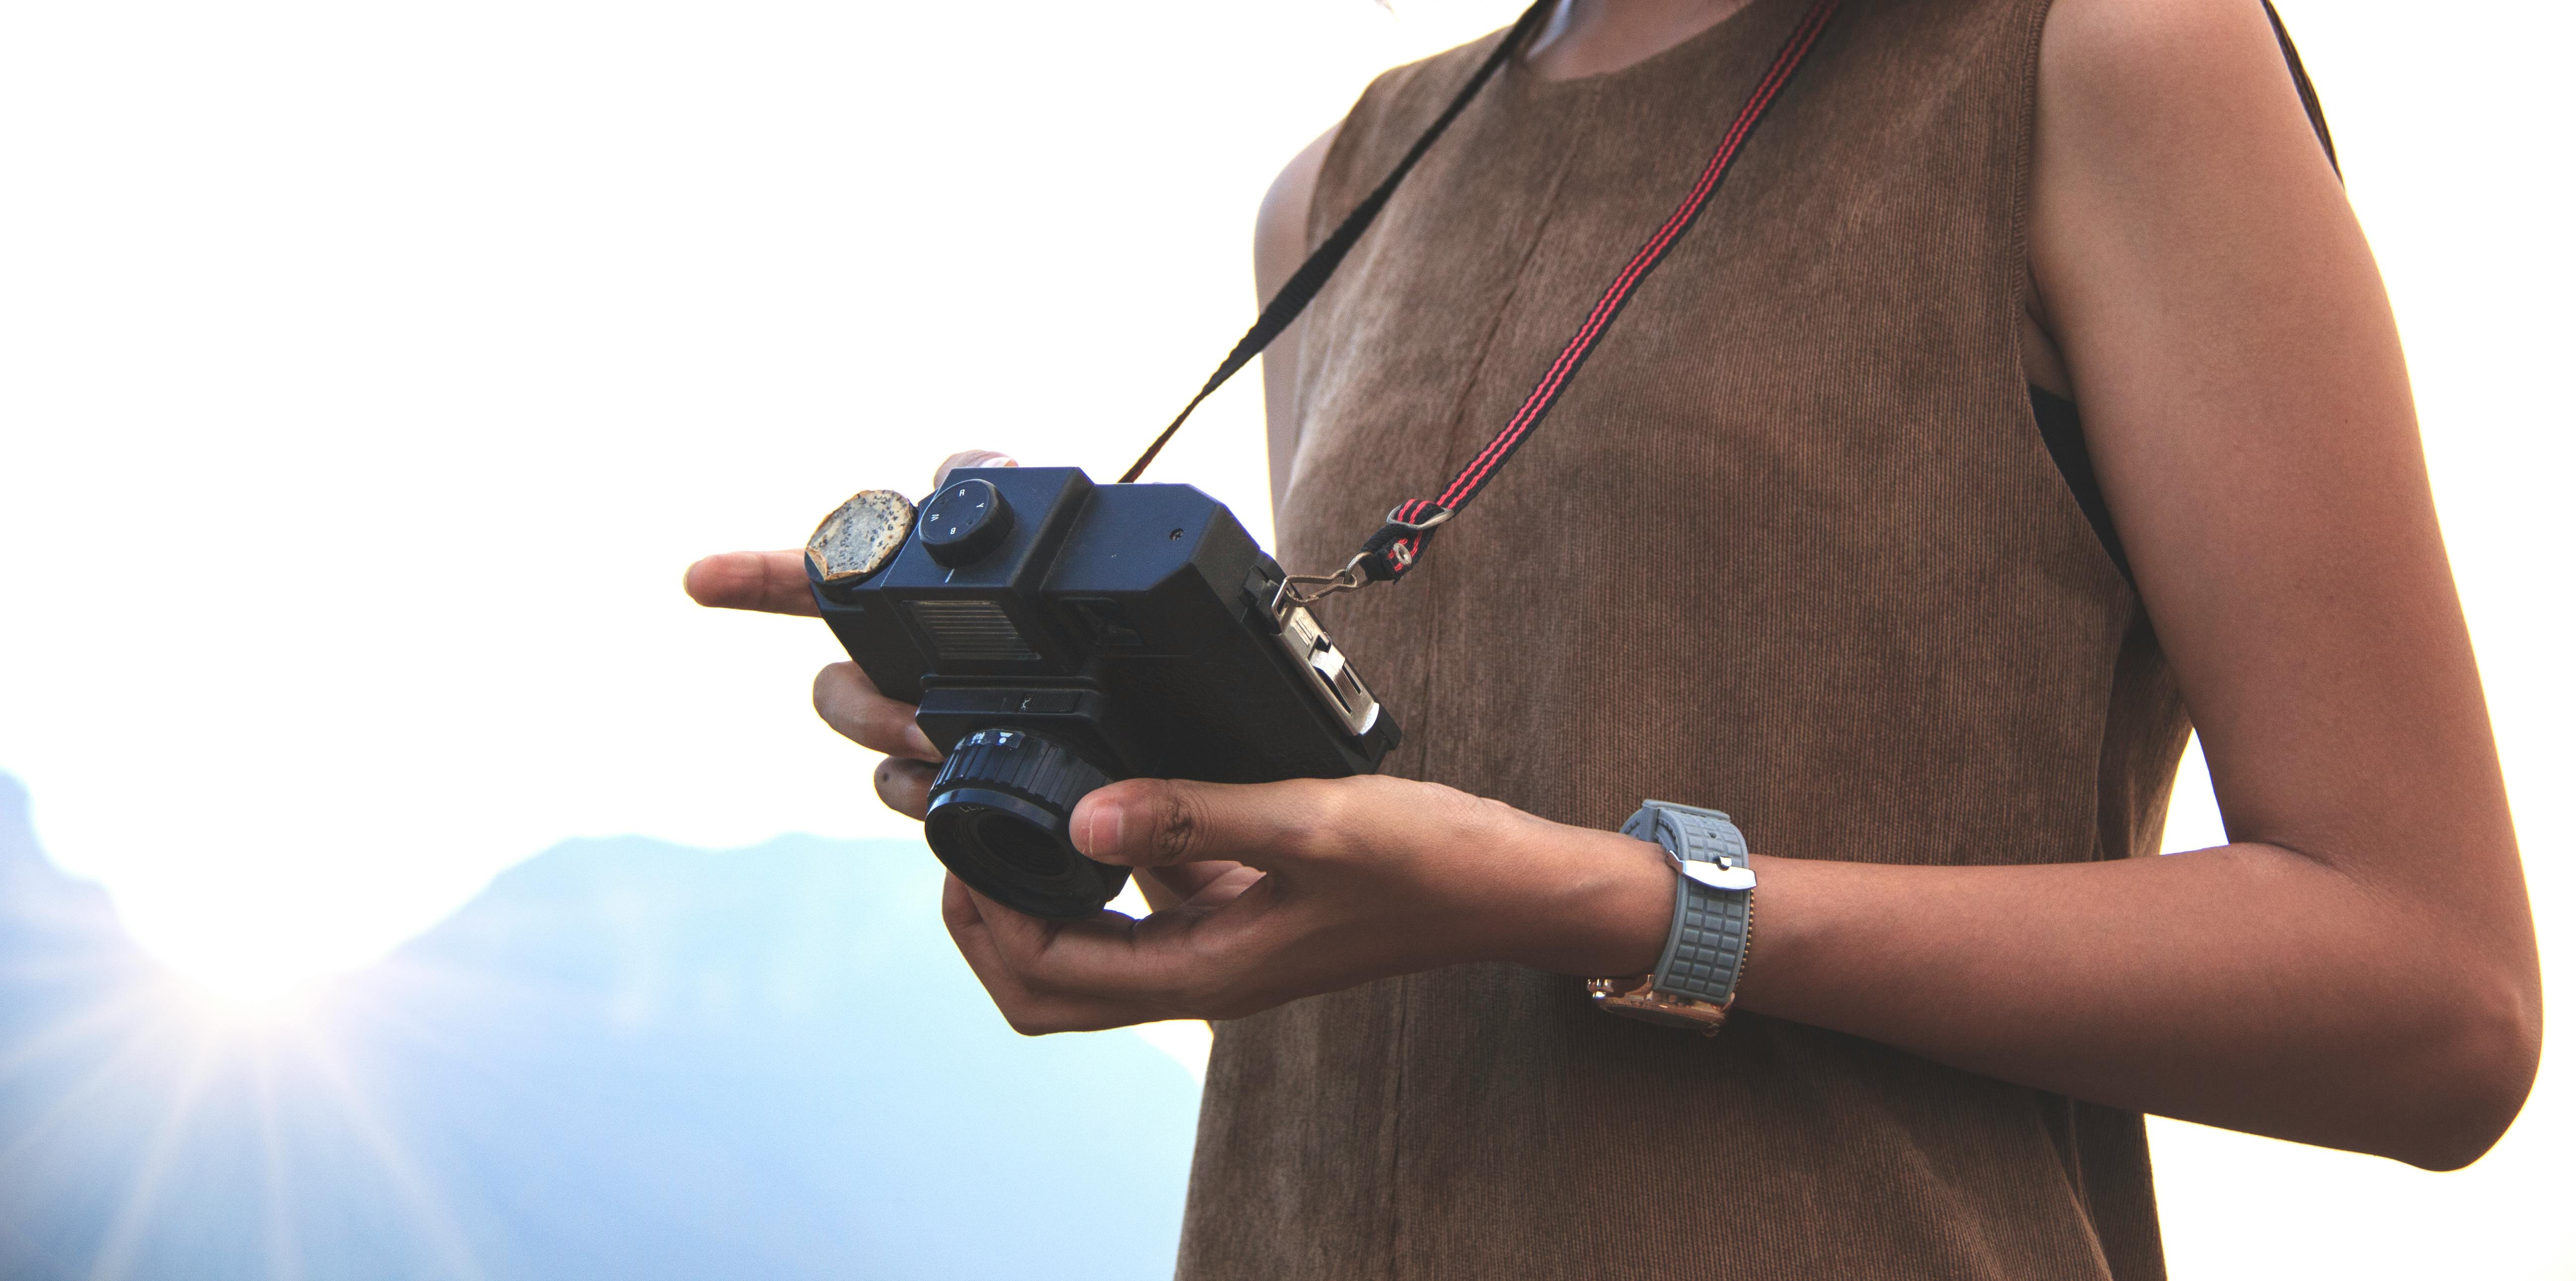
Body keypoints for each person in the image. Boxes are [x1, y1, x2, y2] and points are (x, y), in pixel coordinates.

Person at [685, 0, 2541, 1275]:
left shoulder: (2098, 53)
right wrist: (1098, 755)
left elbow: (2437, 1000)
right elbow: (1391, 847)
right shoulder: (1338, 187)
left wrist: (1619, 901)